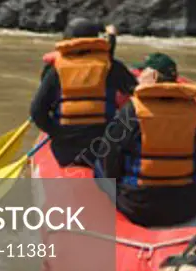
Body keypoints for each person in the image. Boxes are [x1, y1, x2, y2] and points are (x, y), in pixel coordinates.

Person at [95, 53, 196, 227]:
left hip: (138, 208)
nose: (138, 76)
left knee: (97, 164)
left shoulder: (131, 111)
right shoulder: (195, 111)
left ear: (154, 76)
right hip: (187, 207)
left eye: (143, 72)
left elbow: (107, 162)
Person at [29, 17, 137, 168]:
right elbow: (139, 98)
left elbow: (37, 111)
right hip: (102, 149)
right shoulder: (111, 66)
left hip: (66, 150)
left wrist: (56, 133)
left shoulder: (55, 71)